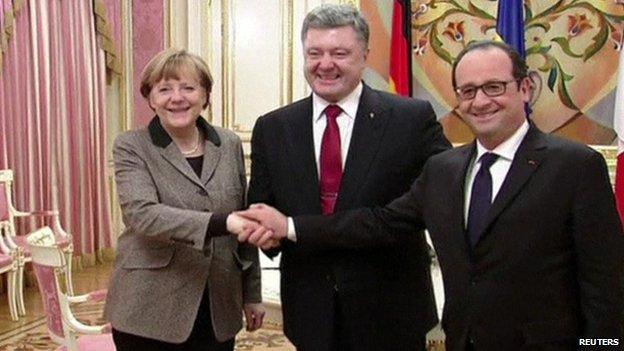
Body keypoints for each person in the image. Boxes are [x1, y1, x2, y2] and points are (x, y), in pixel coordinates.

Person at [236, 41, 624, 350]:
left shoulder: (575, 166)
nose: (480, 101)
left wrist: (600, 347)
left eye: (494, 87)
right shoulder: (445, 170)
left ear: (524, 88)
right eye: (468, 91)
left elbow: (605, 283)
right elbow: (379, 223)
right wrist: (288, 226)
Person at [229, 4, 450, 351]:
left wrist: (288, 227)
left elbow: (432, 201)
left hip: (392, 309)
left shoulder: (411, 119)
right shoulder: (273, 127)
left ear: (364, 55)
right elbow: (264, 205)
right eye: (314, 53)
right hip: (310, 311)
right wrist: (265, 234)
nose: (325, 64)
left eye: (340, 53)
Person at [104, 48, 265, 351]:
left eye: (188, 87)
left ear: (205, 95)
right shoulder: (131, 145)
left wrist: (252, 293)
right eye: (164, 89)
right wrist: (223, 222)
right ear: (151, 98)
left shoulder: (228, 143)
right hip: (148, 308)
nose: (177, 97)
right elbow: (143, 214)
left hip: (218, 304)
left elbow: (246, 220)